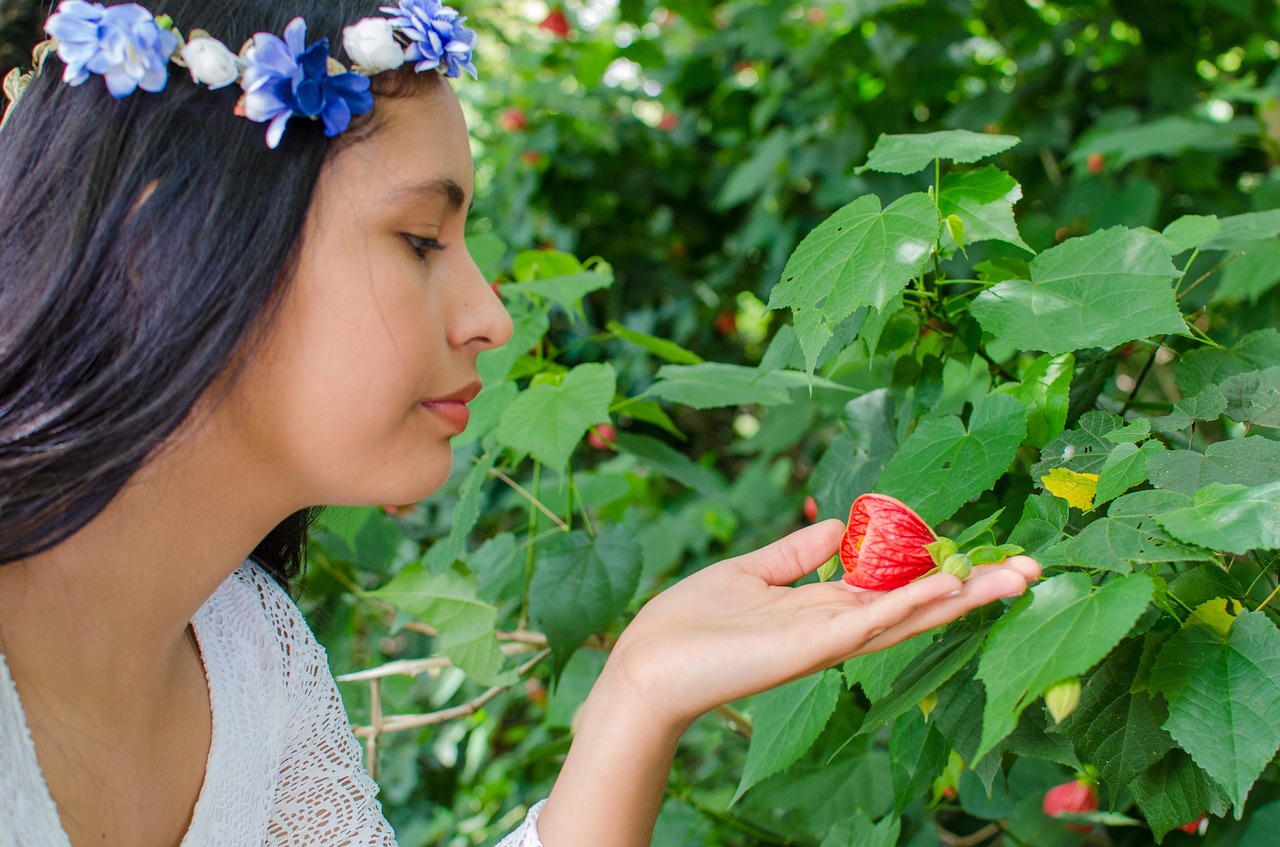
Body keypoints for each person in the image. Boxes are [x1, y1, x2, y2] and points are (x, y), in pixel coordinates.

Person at [0, 1, 1041, 845]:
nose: (488, 313)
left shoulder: (242, 656)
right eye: (418, 240)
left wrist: (635, 697)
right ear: (162, 238)